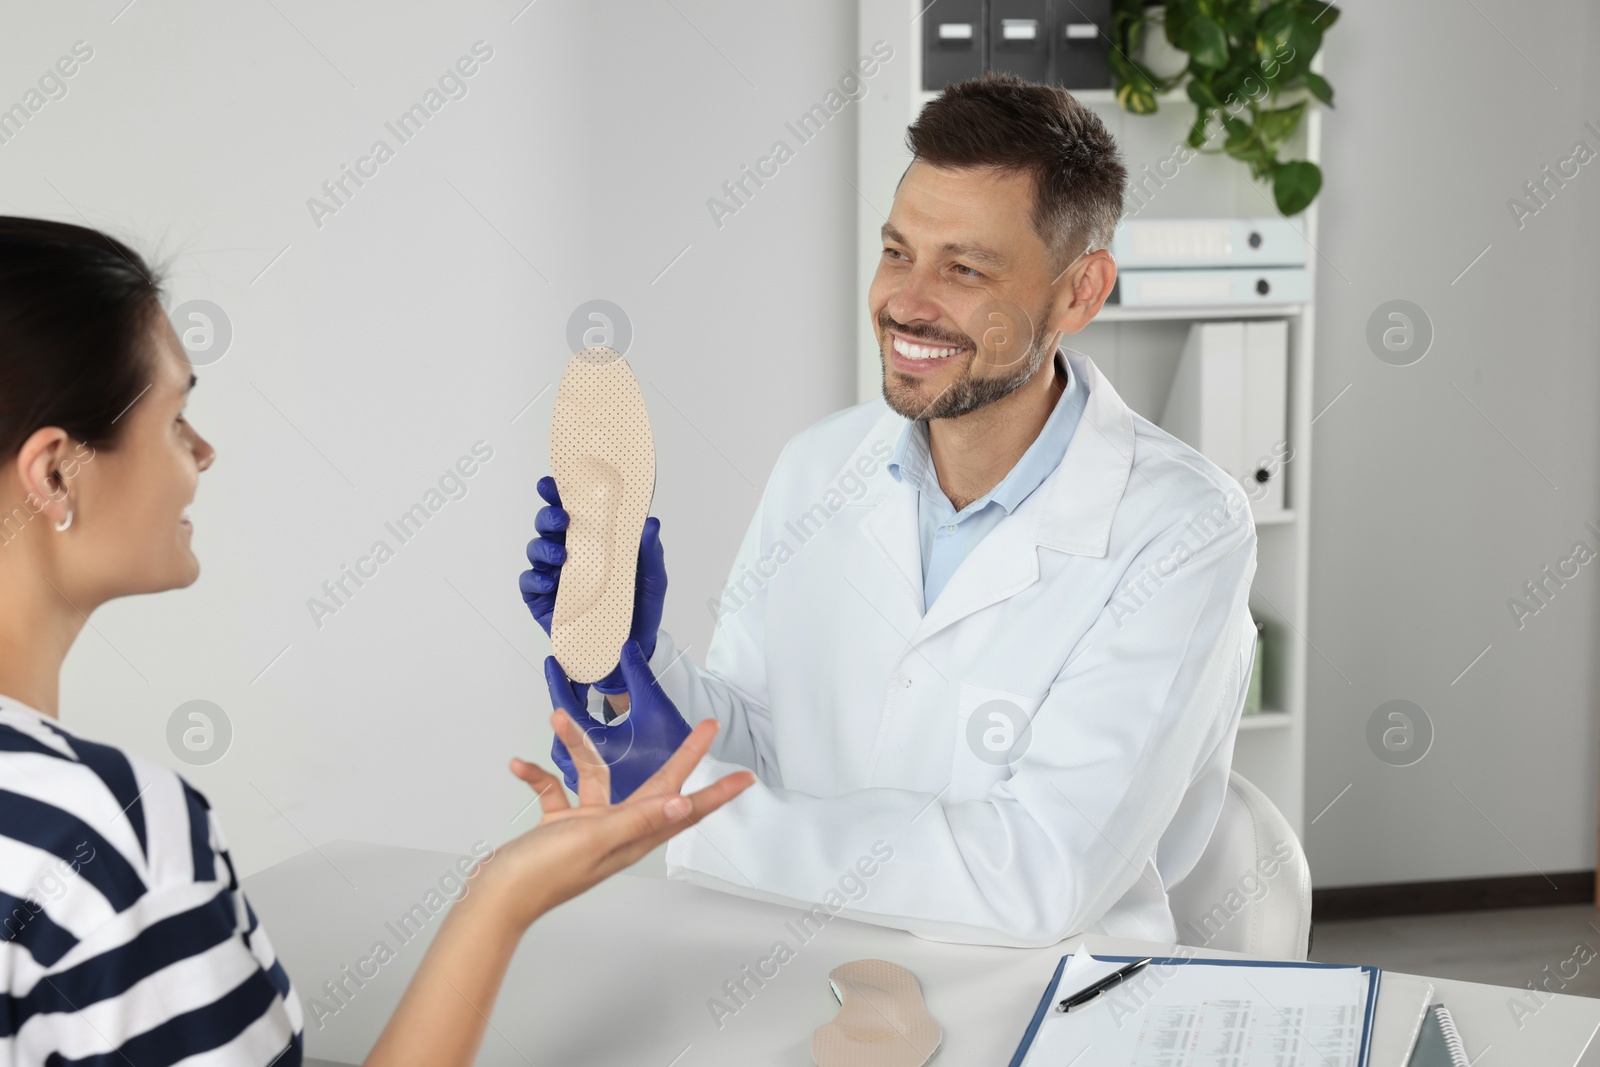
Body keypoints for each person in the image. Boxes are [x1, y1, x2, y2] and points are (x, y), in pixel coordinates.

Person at [522, 72, 1259, 948]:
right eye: (899, 251)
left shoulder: (1181, 529)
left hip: (1046, 1001)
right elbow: (765, 738)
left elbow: (1042, 875)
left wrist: (685, 811)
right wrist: (639, 668)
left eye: (965, 268)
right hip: (809, 967)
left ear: (1080, 293)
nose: (907, 302)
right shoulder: (820, 465)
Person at [0, 216, 754, 1067]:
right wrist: (502, 898)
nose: (204, 452)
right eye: (177, 416)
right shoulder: (110, 836)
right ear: (56, 471)